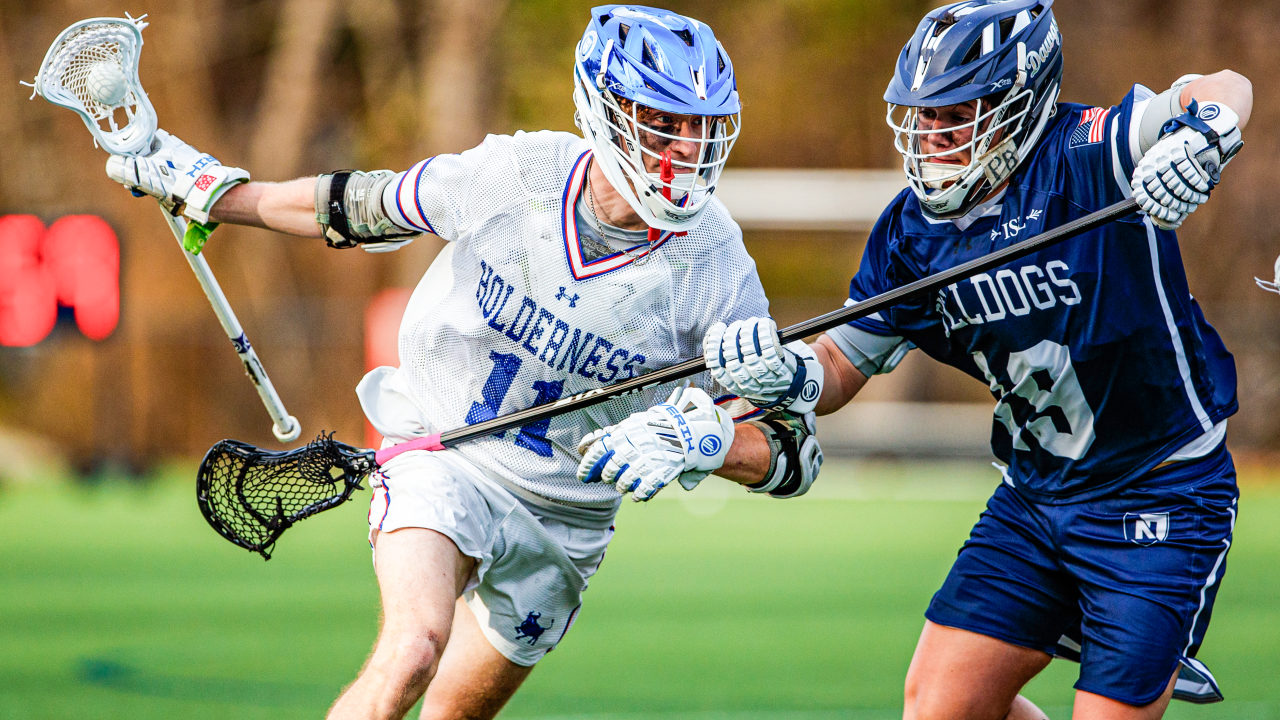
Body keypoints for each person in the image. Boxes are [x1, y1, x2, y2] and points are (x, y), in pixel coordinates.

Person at [106, 6, 811, 719]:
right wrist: (216, 194)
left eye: (702, 127)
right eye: (665, 121)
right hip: (445, 453)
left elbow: (794, 451)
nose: (686, 151)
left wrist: (709, 441)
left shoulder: (713, 259)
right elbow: (356, 207)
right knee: (411, 650)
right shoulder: (516, 174)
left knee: (453, 714)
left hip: (566, 520)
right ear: (605, 108)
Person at [583, 1, 1252, 718]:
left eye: (954, 114)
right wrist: (786, 373)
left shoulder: (1090, 152)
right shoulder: (912, 231)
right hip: (1034, 493)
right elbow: (841, 364)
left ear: (1016, 104)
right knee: (937, 705)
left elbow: (1222, 83)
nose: (931, 135)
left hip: (1157, 492)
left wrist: (1204, 134)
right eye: (922, 115)